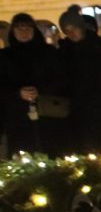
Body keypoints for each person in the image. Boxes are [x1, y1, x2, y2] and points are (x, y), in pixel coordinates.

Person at [0, 13, 67, 156]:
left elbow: (61, 78)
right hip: (18, 117)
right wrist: (18, 93)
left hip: (47, 113)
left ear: (34, 30)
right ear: (13, 31)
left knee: (50, 152)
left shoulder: (48, 52)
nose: (24, 32)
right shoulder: (4, 56)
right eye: (19, 28)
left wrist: (40, 90)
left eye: (27, 28)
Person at [58, 6, 101, 154]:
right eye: (66, 31)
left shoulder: (98, 46)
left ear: (81, 27)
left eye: (73, 28)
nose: (71, 33)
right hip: (77, 105)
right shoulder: (65, 50)